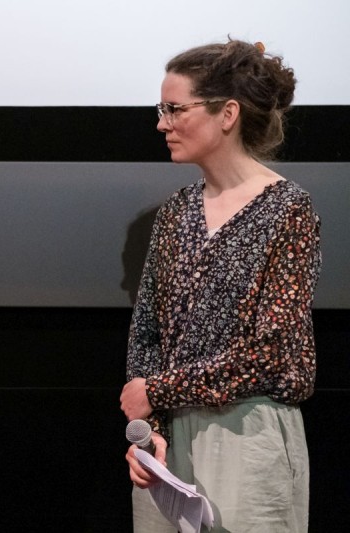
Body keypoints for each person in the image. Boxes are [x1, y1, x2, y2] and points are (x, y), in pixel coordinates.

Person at [120, 39, 321, 532]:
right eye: (160, 109)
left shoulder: (286, 210)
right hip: (167, 448)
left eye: (175, 109)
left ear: (226, 113)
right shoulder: (176, 212)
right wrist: (150, 435)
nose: (162, 123)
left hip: (247, 435)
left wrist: (158, 389)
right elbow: (147, 330)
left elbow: (271, 351)